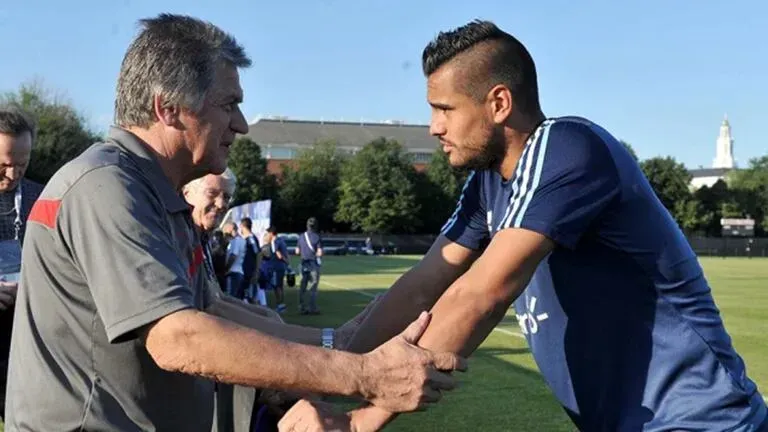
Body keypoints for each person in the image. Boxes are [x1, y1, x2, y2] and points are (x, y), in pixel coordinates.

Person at [280, 20, 768, 432]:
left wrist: (358, 420)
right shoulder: (490, 183)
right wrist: (327, 366)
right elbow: (420, 287)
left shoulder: (569, 150)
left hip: (700, 420)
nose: (433, 126)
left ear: (498, 103)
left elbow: (479, 296)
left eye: (445, 109)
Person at [3, 14, 466, 431]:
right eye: (228, 104)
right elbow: (178, 337)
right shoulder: (107, 186)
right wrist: (363, 377)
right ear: (168, 109)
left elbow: (213, 310)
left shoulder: (150, 190)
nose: (241, 124)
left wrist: (336, 344)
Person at [182, 169, 381, 432]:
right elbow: (213, 307)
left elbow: (217, 300)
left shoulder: (198, 236)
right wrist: (327, 340)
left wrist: (273, 321)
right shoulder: (180, 235)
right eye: (213, 193)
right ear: (187, 193)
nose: (221, 204)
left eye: (227, 197)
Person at [0, 106, 45, 421]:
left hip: (25, 334)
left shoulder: (42, 198)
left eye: (22, 165)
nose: (14, 175)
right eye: (3, 165)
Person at [296, 217, 323, 315]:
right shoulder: (317, 237)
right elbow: (319, 252)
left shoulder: (301, 236)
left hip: (303, 263)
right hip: (313, 264)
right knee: (313, 287)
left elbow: (297, 251)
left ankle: (302, 307)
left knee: (302, 286)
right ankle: (312, 308)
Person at [264, 226, 290, 313]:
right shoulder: (281, 240)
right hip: (281, 267)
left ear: (271, 233)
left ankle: (280, 305)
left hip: (276, 267)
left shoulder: (275, 241)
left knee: (277, 287)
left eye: (268, 233)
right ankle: (281, 305)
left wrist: (284, 260)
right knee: (280, 286)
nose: (267, 235)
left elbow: (277, 254)